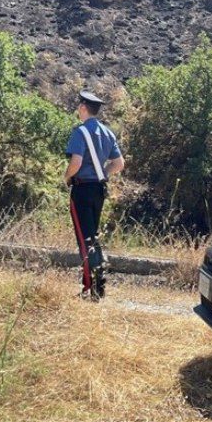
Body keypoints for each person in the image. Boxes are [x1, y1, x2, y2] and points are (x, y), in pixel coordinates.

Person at [64, 91, 125, 300]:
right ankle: (99, 284)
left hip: (81, 189)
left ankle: (90, 289)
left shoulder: (80, 132)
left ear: (83, 107)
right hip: (99, 190)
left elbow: (76, 163)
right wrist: (103, 173)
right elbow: (119, 164)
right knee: (92, 236)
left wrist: (66, 177)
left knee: (84, 239)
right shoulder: (108, 133)